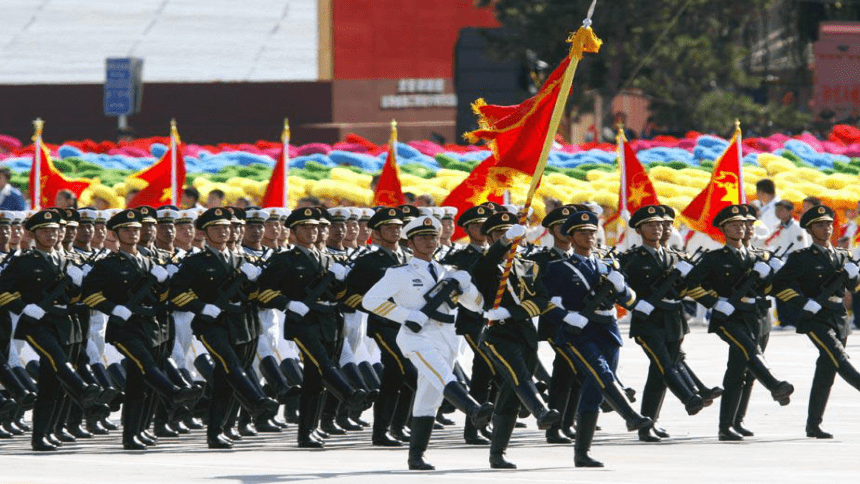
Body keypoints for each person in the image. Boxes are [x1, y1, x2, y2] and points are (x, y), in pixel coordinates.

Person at [363, 215, 493, 470]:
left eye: (433, 236)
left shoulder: (449, 272)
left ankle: (416, 456)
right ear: (410, 242)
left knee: (429, 395)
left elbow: (477, 307)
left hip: (446, 335)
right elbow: (370, 301)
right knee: (443, 375)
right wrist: (408, 315)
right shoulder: (399, 273)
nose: (429, 241)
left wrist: (468, 288)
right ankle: (473, 410)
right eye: (422, 237)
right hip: (416, 337)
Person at [81, 209, 201, 450]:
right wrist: (113, 308)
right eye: (127, 230)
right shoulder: (109, 265)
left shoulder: (150, 262)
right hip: (124, 328)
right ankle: (173, 391)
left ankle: (137, 431)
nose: (134, 234)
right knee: (147, 366)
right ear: (115, 234)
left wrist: (164, 282)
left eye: (136, 229)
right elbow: (89, 296)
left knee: (140, 384)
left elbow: (163, 298)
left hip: (150, 326)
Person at [541, 210, 651, 467]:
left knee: (593, 391)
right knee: (601, 372)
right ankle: (631, 416)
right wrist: (567, 317)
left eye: (592, 232)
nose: (589, 237)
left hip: (607, 329)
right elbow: (546, 304)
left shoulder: (607, 265)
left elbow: (629, 301)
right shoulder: (558, 268)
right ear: (571, 236)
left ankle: (582, 453)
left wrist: (623, 287)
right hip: (577, 332)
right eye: (582, 233)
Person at [256, 207, 368, 448]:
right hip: (302, 323)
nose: (312, 231)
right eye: (305, 227)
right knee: (322, 363)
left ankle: (308, 431)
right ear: (294, 232)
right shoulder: (284, 259)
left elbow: (340, 295)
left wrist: (339, 281)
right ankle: (349, 393)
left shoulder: (329, 258)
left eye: (316, 227)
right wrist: (288, 303)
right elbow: (262, 292)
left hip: (330, 321)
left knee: (314, 379)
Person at [168, 207, 279, 449]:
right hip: (211, 326)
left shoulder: (242, 260)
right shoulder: (196, 262)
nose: (222, 231)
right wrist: (201, 306)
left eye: (226, 227)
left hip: (241, 324)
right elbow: (176, 294)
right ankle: (256, 401)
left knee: (224, 379)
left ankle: (219, 429)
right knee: (231, 365)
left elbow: (258, 296)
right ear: (205, 232)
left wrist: (252, 282)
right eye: (216, 227)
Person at [685, 204, 795, 441]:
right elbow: (690, 284)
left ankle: (735, 422)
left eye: (745, 224)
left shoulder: (760, 256)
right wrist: (714, 302)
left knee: (744, 370)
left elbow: (769, 289)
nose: (741, 228)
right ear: (724, 229)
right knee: (749, 354)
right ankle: (774, 386)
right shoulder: (715, 258)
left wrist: (772, 274)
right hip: (730, 318)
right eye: (734, 224)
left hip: (758, 317)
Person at [0, 210, 104, 451]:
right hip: (36, 324)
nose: (50, 235)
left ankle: (44, 434)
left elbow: (77, 298)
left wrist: (78, 284)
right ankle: (81, 388)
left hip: (63, 324)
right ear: (34, 234)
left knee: (51, 382)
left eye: (54, 231)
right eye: (45, 231)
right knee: (56, 359)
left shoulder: (69, 260)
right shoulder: (24, 261)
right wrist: (24, 308)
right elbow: (2, 290)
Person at [619, 205, 718, 443]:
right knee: (664, 364)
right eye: (651, 225)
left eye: (661, 224)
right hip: (648, 321)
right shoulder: (632, 259)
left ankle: (649, 423)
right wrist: (634, 305)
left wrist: (690, 282)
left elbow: (684, 289)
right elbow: (620, 289)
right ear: (640, 229)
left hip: (674, 319)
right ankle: (689, 398)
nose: (658, 228)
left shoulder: (675, 257)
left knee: (658, 373)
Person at [472, 211, 560, 469]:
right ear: (488, 238)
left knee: (510, 397)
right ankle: (541, 411)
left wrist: (513, 311)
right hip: (497, 335)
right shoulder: (487, 264)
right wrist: (502, 244)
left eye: (508, 232)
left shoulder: (527, 265)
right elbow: (482, 269)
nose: (505, 237)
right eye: (498, 233)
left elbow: (542, 299)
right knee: (520, 376)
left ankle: (497, 453)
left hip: (524, 333)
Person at [772, 205, 860, 438]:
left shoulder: (842, 255)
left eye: (829, 224)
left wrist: (854, 275)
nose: (827, 228)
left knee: (826, 371)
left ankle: (813, 424)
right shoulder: (802, 258)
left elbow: (855, 287)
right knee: (838, 357)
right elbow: (778, 286)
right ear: (810, 230)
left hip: (838, 316)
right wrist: (803, 302)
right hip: (816, 318)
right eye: (821, 225)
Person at [440, 205, 496, 445]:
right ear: (466, 229)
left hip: (497, 319)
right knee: (485, 370)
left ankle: (485, 422)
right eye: (476, 226)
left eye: (485, 225)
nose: (481, 230)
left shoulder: (498, 253)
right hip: (473, 321)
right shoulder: (459, 257)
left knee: (491, 373)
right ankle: (474, 427)